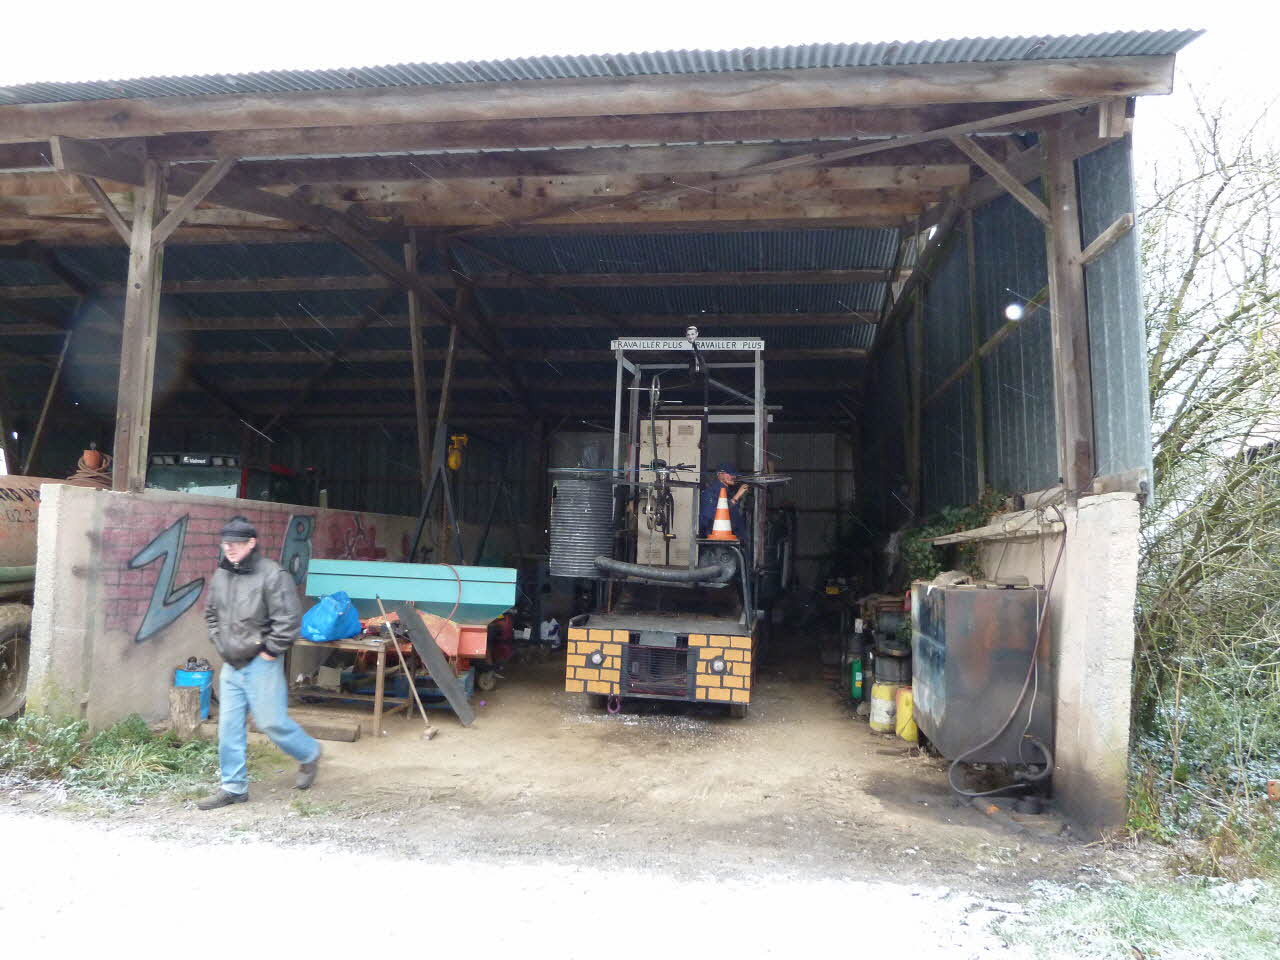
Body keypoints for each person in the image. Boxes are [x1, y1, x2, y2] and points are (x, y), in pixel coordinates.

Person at [197, 516, 321, 810]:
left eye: (237, 542)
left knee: (270, 722)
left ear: (251, 543)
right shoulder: (221, 575)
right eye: (226, 542)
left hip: (261, 662)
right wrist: (220, 643)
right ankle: (233, 787)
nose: (230, 548)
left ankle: (309, 753)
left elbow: (289, 620)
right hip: (232, 664)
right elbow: (211, 613)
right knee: (228, 727)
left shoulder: (272, 574)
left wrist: (269, 651)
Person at [699, 462, 749, 538]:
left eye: (734, 474)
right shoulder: (710, 492)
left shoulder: (729, 491)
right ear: (719, 474)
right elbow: (711, 515)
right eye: (730, 474)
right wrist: (736, 497)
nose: (733, 477)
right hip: (716, 539)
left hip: (732, 538)